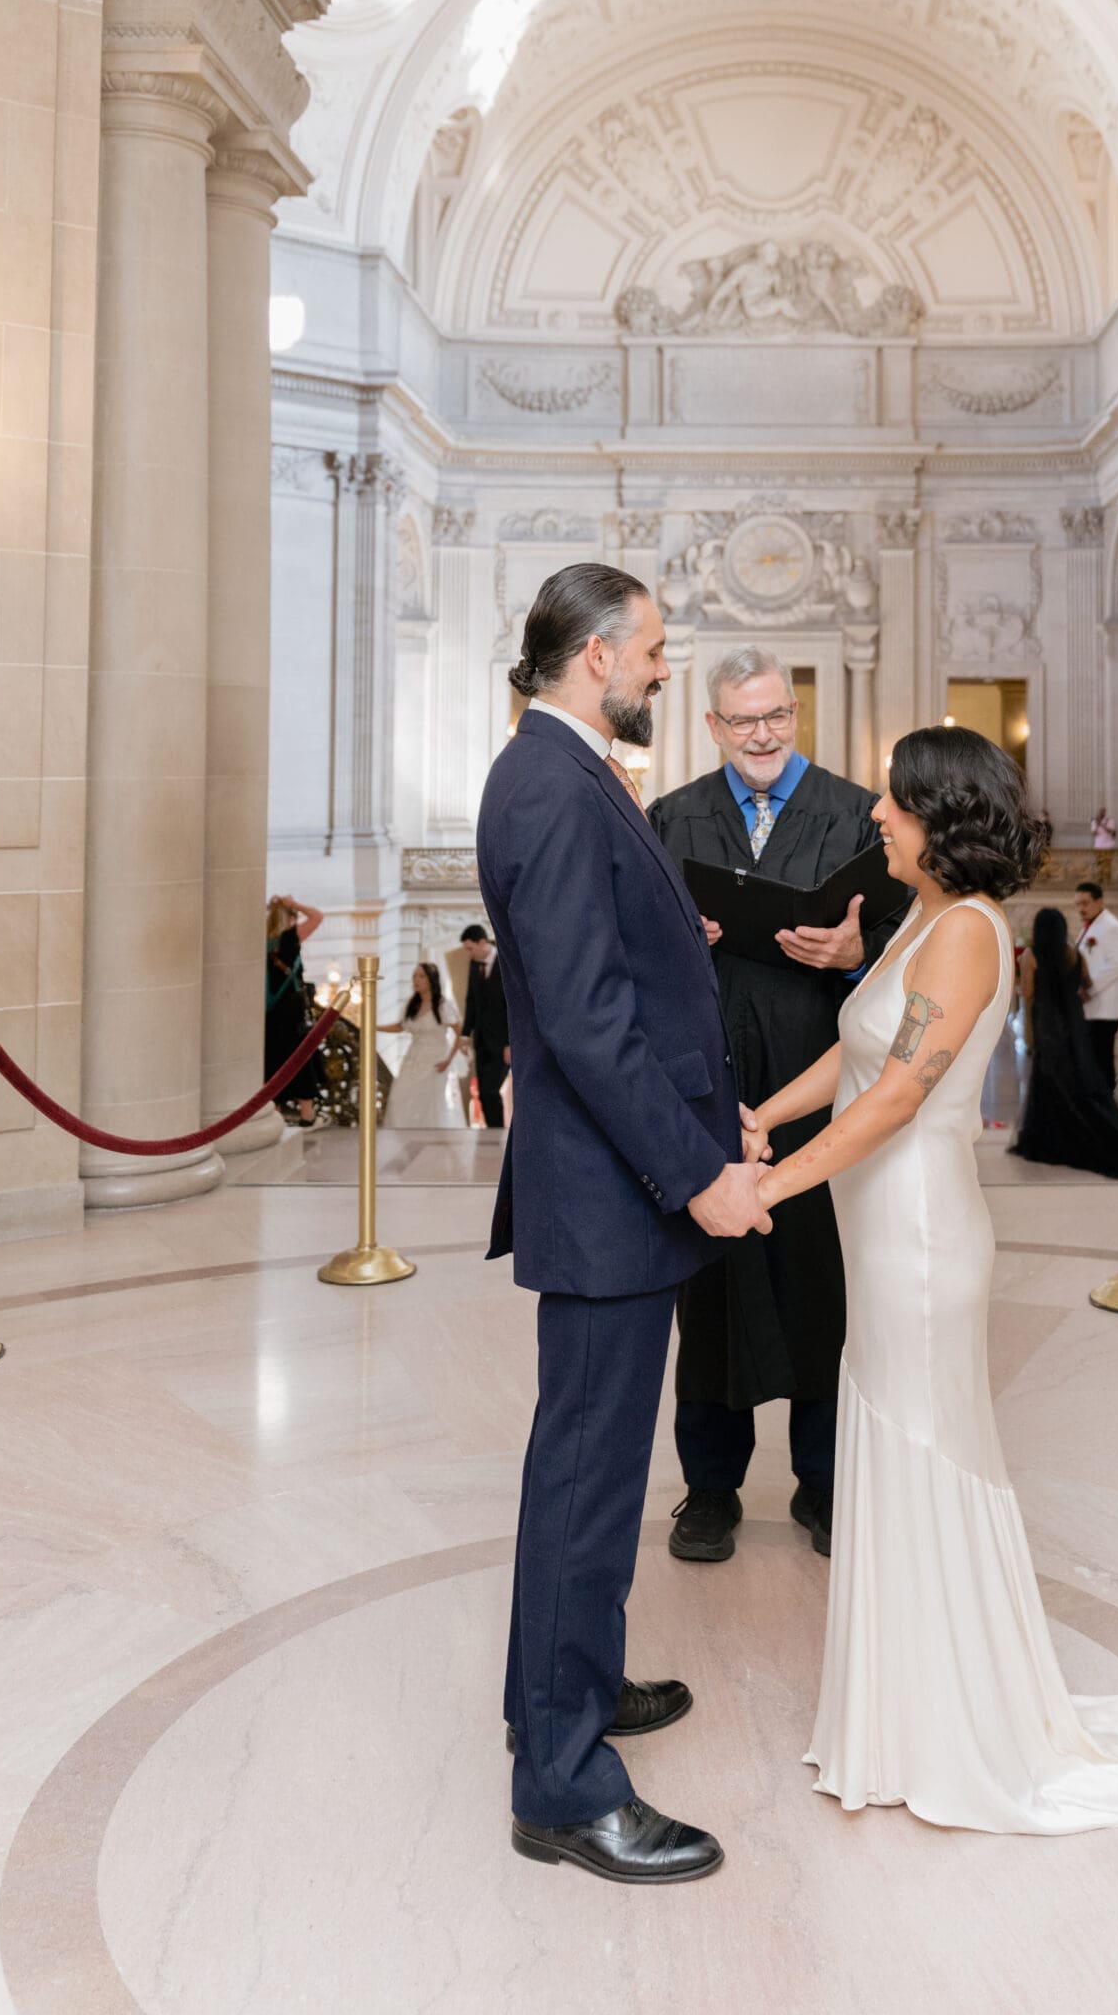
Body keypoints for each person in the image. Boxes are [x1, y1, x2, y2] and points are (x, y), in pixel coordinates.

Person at [744, 728, 1118, 1834]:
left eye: (897, 802)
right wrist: (764, 1115)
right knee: (892, 1441)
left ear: (945, 818)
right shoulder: (915, 918)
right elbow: (857, 1054)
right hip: (878, 1228)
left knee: (926, 1448)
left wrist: (769, 1186)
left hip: (919, 1236)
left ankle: (955, 1725)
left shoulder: (969, 935)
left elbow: (895, 1100)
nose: (877, 814)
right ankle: (903, 1711)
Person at [478, 561, 772, 1887]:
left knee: (591, 1475)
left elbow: (611, 967)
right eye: (651, 649)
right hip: (606, 1198)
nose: (664, 667)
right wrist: (695, 1171)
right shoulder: (547, 779)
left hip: (615, 1193)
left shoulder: (568, 770)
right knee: (587, 1480)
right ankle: (560, 1781)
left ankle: (566, 1689)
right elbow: (587, 1024)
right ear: (594, 654)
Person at [649, 646, 909, 1566]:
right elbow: (633, 948)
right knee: (709, 1286)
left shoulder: (856, 813)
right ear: (711, 725)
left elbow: (910, 952)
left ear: (795, 716)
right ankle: (709, 1491)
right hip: (710, 1093)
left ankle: (825, 1484)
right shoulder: (672, 818)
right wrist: (685, 938)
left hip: (820, 1081)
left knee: (821, 1284)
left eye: (775, 718)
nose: (760, 736)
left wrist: (850, 955)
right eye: (740, 720)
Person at [1009, 908, 1118, 1179]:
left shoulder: (1031, 956)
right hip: (1074, 1026)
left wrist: (1028, 1028)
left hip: (1047, 1027)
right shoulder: (1074, 954)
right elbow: (1086, 984)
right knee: (1076, 1081)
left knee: (1049, 1082)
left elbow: (1027, 992)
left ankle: (1050, 1138)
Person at [377, 960, 466, 1130]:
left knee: (430, 1100)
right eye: (414, 976)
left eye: (421, 976)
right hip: (413, 1057)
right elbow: (400, 1026)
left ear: (431, 980)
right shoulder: (413, 1004)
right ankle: (406, 1136)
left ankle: (431, 1138)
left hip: (436, 1059)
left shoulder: (442, 1005)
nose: (416, 980)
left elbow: (459, 1033)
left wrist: (448, 1060)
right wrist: (374, 1027)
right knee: (400, 1095)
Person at [265, 894, 325, 1127]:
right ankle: (306, 1113)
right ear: (290, 918)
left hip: (270, 1012)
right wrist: (296, 904)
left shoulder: (263, 941)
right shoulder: (292, 937)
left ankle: (275, 1109)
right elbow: (318, 917)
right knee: (299, 1058)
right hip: (291, 1011)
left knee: (273, 1058)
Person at [1075, 878, 1118, 1088]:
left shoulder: (1110, 927)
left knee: (1102, 1060)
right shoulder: (1092, 926)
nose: (1081, 908)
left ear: (1099, 902)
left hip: (1106, 1008)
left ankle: (1105, 1103)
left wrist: (1091, 987)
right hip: (1094, 1008)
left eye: (1085, 903)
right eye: (1078, 904)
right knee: (1095, 1059)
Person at [458, 923, 510, 1127]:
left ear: (483, 943)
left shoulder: (506, 962)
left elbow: (515, 1008)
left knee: (491, 1091)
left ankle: (498, 1134)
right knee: (482, 1093)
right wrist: (464, 1036)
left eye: (470, 948)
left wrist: (511, 1043)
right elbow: (471, 1002)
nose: (468, 954)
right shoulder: (474, 965)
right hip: (481, 1041)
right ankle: (491, 1135)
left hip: (503, 1044)